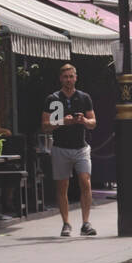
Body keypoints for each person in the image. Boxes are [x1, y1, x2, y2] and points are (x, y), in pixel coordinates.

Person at [41, 62, 97, 236]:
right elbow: (45, 125)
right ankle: (66, 223)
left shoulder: (84, 97)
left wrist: (83, 121)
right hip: (60, 147)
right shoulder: (53, 99)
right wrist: (62, 122)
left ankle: (86, 223)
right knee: (62, 186)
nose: (68, 79)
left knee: (85, 181)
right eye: (65, 77)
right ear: (60, 79)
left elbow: (93, 123)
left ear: (76, 78)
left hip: (81, 147)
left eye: (71, 76)